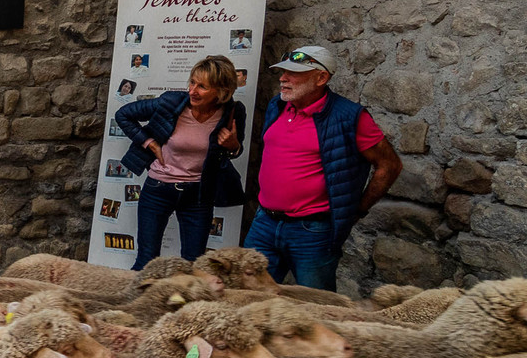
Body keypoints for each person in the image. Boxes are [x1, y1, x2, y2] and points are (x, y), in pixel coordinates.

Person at [243, 44, 403, 291]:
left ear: (321, 77)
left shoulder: (349, 117)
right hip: (264, 222)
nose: (283, 78)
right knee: (248, 296)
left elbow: (389, 165)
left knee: (316, 305)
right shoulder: (278, 105)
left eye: (293, 73)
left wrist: (358, 209)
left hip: (312, 231)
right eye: (283, 72)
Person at [113, 57, 247, 271]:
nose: (193, 90)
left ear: (221, 91)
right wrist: (149, 143)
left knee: (194, 265)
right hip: (158, 189)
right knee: (147, 262)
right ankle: (138, 303)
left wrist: (233, 146)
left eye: (202, 86)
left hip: (198, 195)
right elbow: (123, 115)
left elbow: (234, 151)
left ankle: (184, 304)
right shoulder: (171, 102)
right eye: (192, 82)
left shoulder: (232, 112)